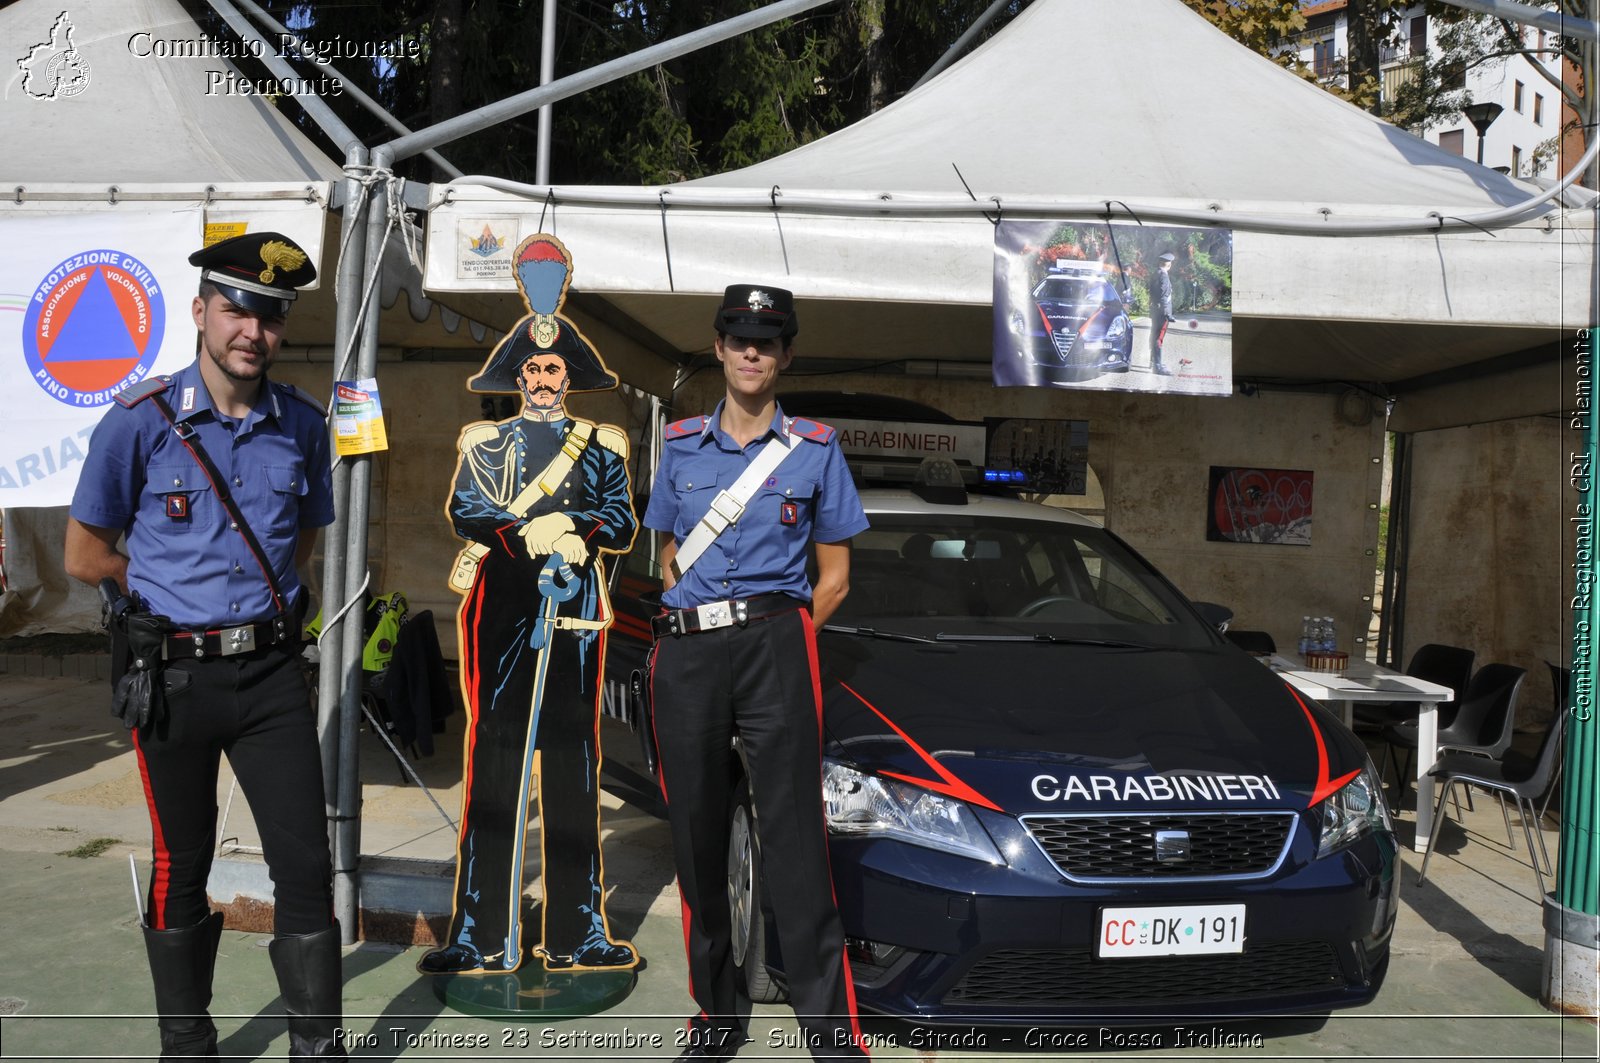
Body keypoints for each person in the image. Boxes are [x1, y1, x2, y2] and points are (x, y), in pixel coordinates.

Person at [63, 232, 344, 1059]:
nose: (250, 330)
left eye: (268, 317)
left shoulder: (302, 426)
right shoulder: (139, 424)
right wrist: (155, 591)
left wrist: (261, 610)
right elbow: (84, 555)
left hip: (269, 680)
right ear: (200, 312)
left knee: (304, 865)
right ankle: (187, 1041)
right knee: (180, 863)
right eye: (235, 310)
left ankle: (317, 1046)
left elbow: (303, 546)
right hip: (174, 678)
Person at [644, 285, 871, 1061]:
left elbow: (834, 576)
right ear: (718, 349)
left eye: (767, 340)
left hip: (776, 642)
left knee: (797, 840)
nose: (751, 351)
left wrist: (775, 632)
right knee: (697, 836)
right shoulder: (678, 445)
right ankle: (716, 1014)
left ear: (786, 356)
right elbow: (668, 549)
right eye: (738, 337)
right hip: (690, 652)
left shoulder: (816, 448)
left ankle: (830, 1032)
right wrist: (701, 615)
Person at [419, 234, 639, 976]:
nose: (543, 378)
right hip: (505, 610)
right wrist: (527, 530)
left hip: (573, 612)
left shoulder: (600, 444)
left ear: (568, 375)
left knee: (574, 764)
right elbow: (467, 509)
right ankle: (481, 931)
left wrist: (580, 532)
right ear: (517, 376)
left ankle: (577, 929)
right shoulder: (486, 442)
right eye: (532, 368)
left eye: (552, 367)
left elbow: (624, 518)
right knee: (496, 759)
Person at [1148, 250, 1176, 376]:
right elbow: (1164, 296)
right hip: (1161, 312)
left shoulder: (1155, 273)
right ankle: (1157, 367)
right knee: (1158, 338)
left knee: (1154, 335)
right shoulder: (1163, 276)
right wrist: (1167, 314)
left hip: (1155, 310)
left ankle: (1154, 361)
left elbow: (1153, 293)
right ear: (1169, 265)